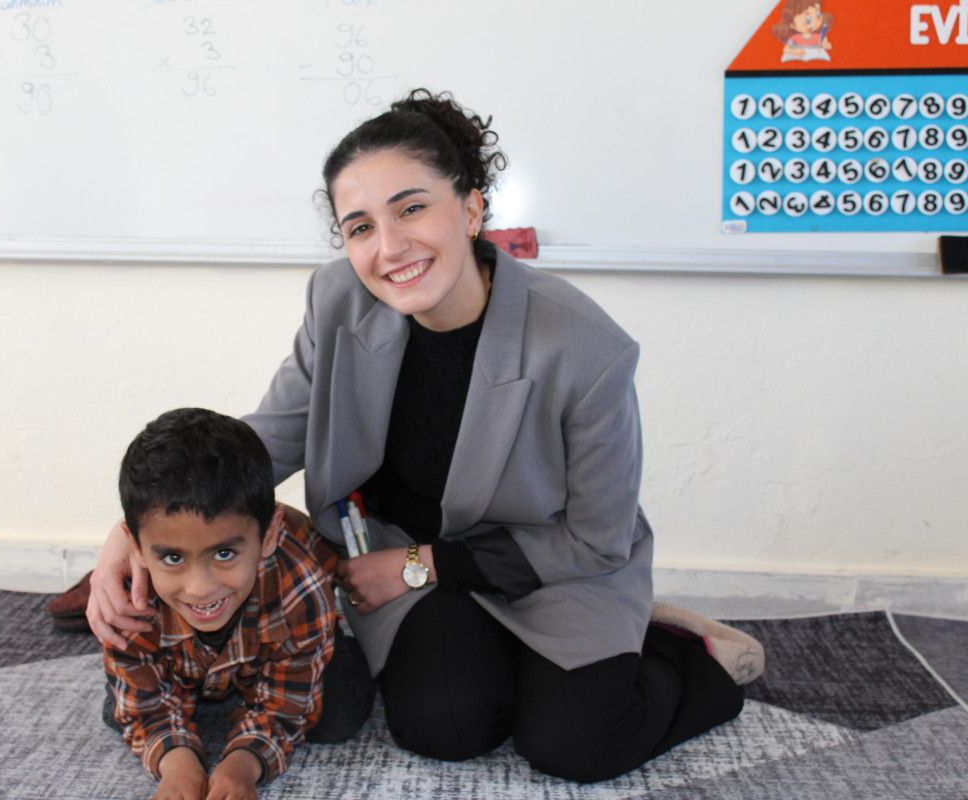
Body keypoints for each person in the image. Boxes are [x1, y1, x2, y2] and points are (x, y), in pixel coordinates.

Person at [90, 89, 765, 783]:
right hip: (397, 554)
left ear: (471, 209)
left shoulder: (586, 347)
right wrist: (133, 526)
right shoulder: (337, 301)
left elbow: (596, 539)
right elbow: (267, 442)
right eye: (360, 227)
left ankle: (682, 651)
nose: (390, 248)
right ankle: (521, 664)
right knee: (445, 725)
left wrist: (421, 565)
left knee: (577, 744)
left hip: (550, 562)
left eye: (411, 209)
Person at [103, 407, 371, 800]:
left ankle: (318, 653)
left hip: (283, 645)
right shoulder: (129, 600)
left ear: (269, 536)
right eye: (173, 558)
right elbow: (145, 707)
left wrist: (243, 765)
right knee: (120, 707)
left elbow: (285, 707)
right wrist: (176, 764)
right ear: (136, 547)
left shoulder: (302, 588)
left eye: (224, 553)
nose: (200, 588)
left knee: (337, 713)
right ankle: (207, 689)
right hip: (191, 660)